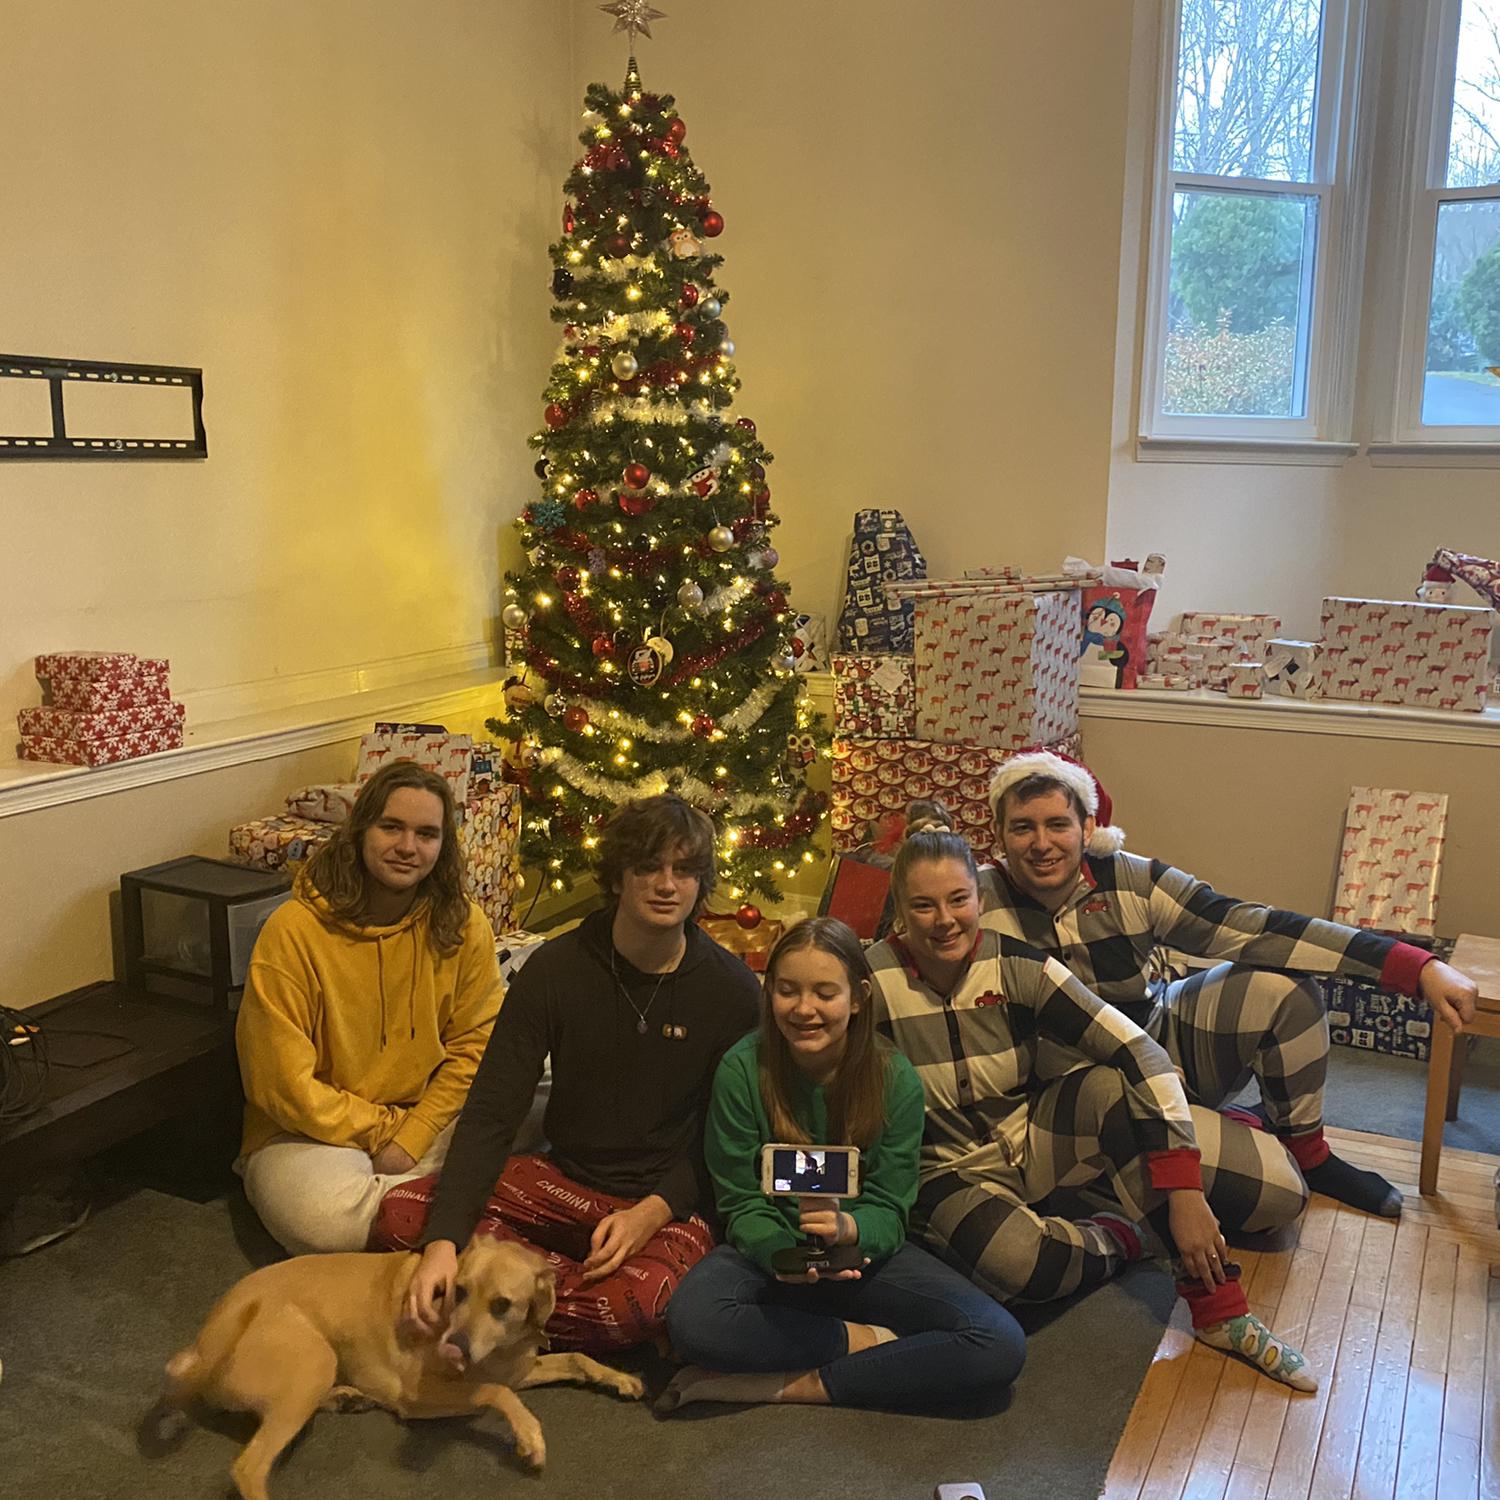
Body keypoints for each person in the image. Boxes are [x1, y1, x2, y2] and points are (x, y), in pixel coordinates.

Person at [869, 829, 1316, 1390]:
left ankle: (1220, 1311)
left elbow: (1139, 1050)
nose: (944, 920)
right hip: (945, 1168)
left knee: (1110, 1089)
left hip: (1031, 1134)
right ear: (900, 909)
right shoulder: (870, 981)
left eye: (958, 899)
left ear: (979, 899)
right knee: (1021, 1271)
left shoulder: (1016, 964)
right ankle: (1123, 1237)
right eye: (923, 906)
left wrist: (1185, 1191)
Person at [977, 751, 1478, 1222]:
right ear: (998, 832)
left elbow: (1255, 928)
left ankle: (1307, 1151)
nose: (1041, 843)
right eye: (1023, 827)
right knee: (1277, 1197)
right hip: (1070, 1094)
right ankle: (1115, 1177)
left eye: (1057, 824)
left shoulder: (1133, 879)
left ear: (1088, 828)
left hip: (1155, 1038)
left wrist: (1415, 967)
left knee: (1285, 991)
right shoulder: (972, 904)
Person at [387, 794, 761, 1352]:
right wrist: (442, 1243)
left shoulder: (733, 991)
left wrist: (651, 1213)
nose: (667, 884)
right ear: (618, 875)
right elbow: (493, 1110)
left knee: (636, 1305)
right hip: (563, 1182)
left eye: (684, 870)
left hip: (664, 1202)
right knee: (401, 1217)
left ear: (700, 883)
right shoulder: (555, 968)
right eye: (648, 866)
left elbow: (731, 1139)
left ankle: (497, 1300)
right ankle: (524, 1295)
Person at [658, 917, 1025, 1412]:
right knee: (694, 1322)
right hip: (770, 1258)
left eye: (825, 993)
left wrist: (848, 1229)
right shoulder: (742, 1069)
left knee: (998, 1342)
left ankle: (793, 1385)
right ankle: (864, 1342)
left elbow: (890, 1207)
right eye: (787, 990)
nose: (803, 1009)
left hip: (862, 1260)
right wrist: (779, 1254)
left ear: (857, 998)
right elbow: (740, 1200)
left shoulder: (894, 1078)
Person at [236, 758, 502, 1256]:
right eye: (391, 827)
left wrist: (415, 1133)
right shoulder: (292, 931)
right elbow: (283, 1087)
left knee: (546, 1094)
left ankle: (410, 1211)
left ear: (443, 846)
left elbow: (477, 1046)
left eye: (426, 834)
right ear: (360, 831)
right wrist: (390, 1134)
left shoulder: (464, 924)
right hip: (312, 1134)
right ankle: (460, 1205)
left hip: (425, 1116)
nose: (407, 847)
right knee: (325, 1224)